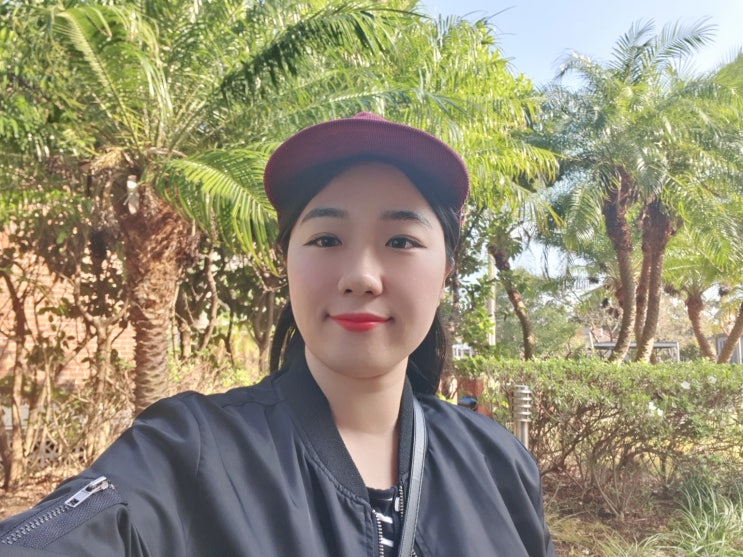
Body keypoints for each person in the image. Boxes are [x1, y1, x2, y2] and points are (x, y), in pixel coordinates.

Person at [0, 112, 555, 556]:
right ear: (285, 261)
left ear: (447, 268)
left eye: (402, 241)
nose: (361, 276)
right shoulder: (189, 451)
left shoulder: (498, 461)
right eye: (326, 239)